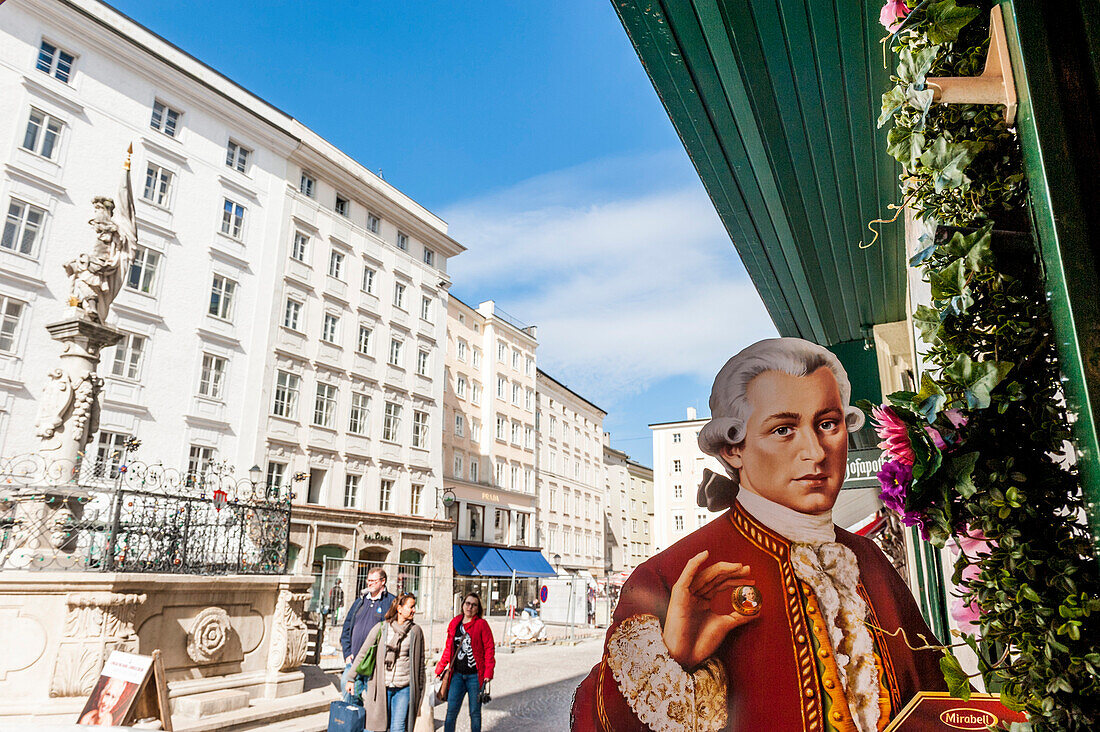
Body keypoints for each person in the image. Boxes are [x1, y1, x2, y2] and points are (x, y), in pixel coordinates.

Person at [572, 338, 947, 732]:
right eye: (784, 429)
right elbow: (598, 721)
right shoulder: (668, 577)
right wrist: (672, 660)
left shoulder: (869, 559)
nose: (816, 452)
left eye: (827, 425)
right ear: (734, 449)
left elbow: (940, 697)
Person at [347, 593, 426, 732]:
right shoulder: (381, 628)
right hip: (382, 687)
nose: (414, 610)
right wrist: (350, 678)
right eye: (411, 607)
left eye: (414, 607)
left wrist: (419, 690)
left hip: (404, 688)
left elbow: (420, 664)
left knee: (398, 728)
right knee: (378, 727)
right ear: (399, 609)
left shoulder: (416, 631)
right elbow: (363, 653)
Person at [436, 592, 495, 732]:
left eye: (474, 605)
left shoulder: (481, 624)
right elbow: (449, 648)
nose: (470, 607)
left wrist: (488, 672)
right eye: (467, 603)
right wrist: (440, 668)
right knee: (451, 712)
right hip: (457, 675)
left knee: (474, 713)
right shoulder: (455, 623)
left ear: (478, 608)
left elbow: (489, 649)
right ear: (463, 605)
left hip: (475, 676)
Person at [341, 568, 396, 700]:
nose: (369, 583)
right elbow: (347, 627)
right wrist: (347, 653)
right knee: (349, 696)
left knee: (373, 704)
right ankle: (355, 721)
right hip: (354, 661)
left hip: (374, 664)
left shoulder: (390, 602)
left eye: (373, 581)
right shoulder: (360, 601)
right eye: (368, 580)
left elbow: (395, 632)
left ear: (383, 582)